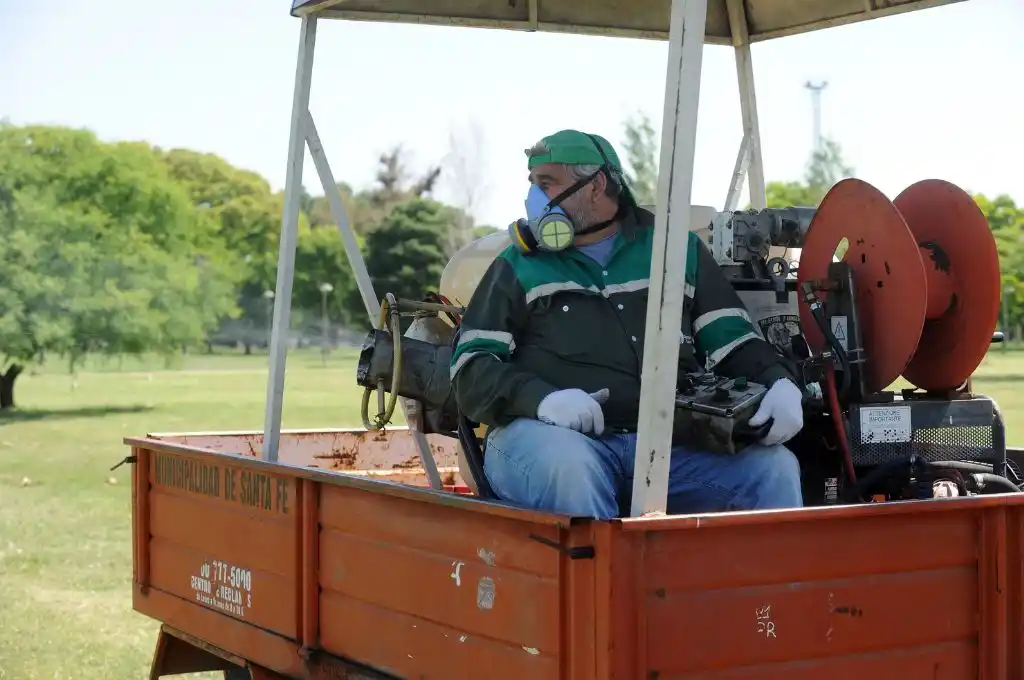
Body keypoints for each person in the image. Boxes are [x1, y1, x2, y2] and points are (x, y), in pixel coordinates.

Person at [449, 129, 805, 518]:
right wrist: (541, 400)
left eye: (547, 184)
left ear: (596, 185)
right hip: (548, 439)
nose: (534, 199)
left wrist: (779, 382)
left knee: (773, 470)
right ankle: (604, 579)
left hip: (667, 444)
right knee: (570, 468)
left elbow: (732, 341)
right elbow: (471, 368)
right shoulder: (516, 266)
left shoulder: (676, 251)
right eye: (533, 184)